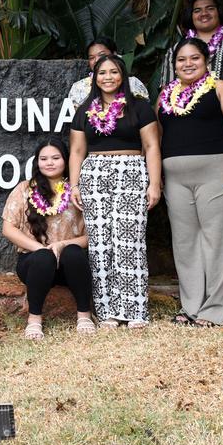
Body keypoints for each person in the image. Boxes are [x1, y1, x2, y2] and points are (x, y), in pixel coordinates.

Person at [157, 37, 223, 327]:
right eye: (181, 60)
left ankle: (219, 308)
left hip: (216, 171)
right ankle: (192, 306)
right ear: (174, 66)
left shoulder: (221, 88)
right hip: (175, 177)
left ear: (206, 60)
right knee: (185, 242)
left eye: (194, 58)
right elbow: (158, 138)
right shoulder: (165, 96)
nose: (187, 64)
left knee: (219, 239)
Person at [69, 54, 162, 328]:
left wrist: (154, 183)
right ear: (94, 78)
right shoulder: (84, 109)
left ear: (123, 76)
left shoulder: (140, 108)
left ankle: (134, 309)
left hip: (131, 170)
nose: (107, 77)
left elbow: (153, 147)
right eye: (102, 73)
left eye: (113, 72)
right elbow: (76, 150)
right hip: (94, 174)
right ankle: (107, 310)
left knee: (129, 239)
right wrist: (74, 185)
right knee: (99, 242)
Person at [2, 139, 94, 340]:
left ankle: (84, 315)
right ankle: (34, 321)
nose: (49, 163)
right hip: (34, 263)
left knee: (74, 253)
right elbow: (8, 229)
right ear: (37, 162)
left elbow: (91, 236)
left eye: (55, 158)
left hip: (68, 265)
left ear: (66, 160)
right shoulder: (25, 189)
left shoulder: (76, 191)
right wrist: (40, 249)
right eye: (44, 159)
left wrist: (61, 245)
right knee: (43, 258)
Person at [159, 0, 223, 87]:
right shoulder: (175, 50)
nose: (204, 13)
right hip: (184, 101)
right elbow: (167, 90)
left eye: (210, 8)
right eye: (197, 10)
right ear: (191, 16)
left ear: (219, 12)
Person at [66, 37, 150, 111]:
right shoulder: (79, 87)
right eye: (91, 58)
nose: (96, 60)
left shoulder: (132, 83)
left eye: (101, 55)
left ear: (114, 55)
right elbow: (77, 121)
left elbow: (144, 113)